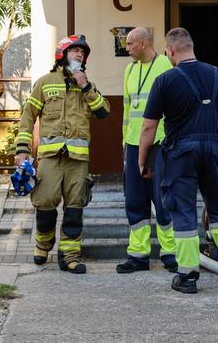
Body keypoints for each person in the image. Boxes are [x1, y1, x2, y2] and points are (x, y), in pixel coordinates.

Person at [139, 28, 218, 294]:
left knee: (183, 212)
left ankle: (188, 274)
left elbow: (148, 128)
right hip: (214, 151)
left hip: (180, 155)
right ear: (192, 47)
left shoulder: (164, 80)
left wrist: (143, 160)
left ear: (169, 51)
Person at [14, 35, 109, 274]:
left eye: (82, 53)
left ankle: (69, 256)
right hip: (50, 157)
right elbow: (27, 117)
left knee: (75, 208)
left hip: (77, 161)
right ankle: (43, 244)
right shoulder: (45, 82)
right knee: (45, 204)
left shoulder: (86, 85)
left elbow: (103, 111)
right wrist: (22, 149)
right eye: (75, 51)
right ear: (62, 54)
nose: (79, 55)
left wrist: (85, 86)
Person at [116, 28, 176, 274]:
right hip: (132, 144)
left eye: (130, 44)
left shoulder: (167, 66)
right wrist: (124, 145)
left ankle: (170, 253)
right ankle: (138, 255)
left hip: (160, 144)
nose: (126, 48)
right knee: (135, 201)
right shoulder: (129, 70)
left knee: (163, 201)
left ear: (143, 43)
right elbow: (127, 111)